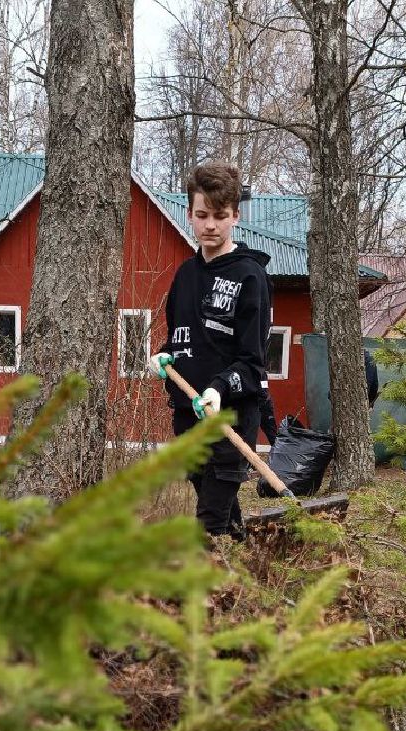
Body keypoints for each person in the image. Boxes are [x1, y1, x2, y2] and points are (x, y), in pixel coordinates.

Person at [146, 161, 273, 540]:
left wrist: (219, 387)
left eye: (220, 216)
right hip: (189, 418)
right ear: (189, 214)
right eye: (201, 215)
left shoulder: (251, 276)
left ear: (235, 215)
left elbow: (252, 363)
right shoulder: (185, 276)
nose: (210, 225)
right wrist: (163, 356)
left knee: (209, 525)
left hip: (230, 420)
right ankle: (247, 573)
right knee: (225, 519)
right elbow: (181, 340)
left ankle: (204, 595)